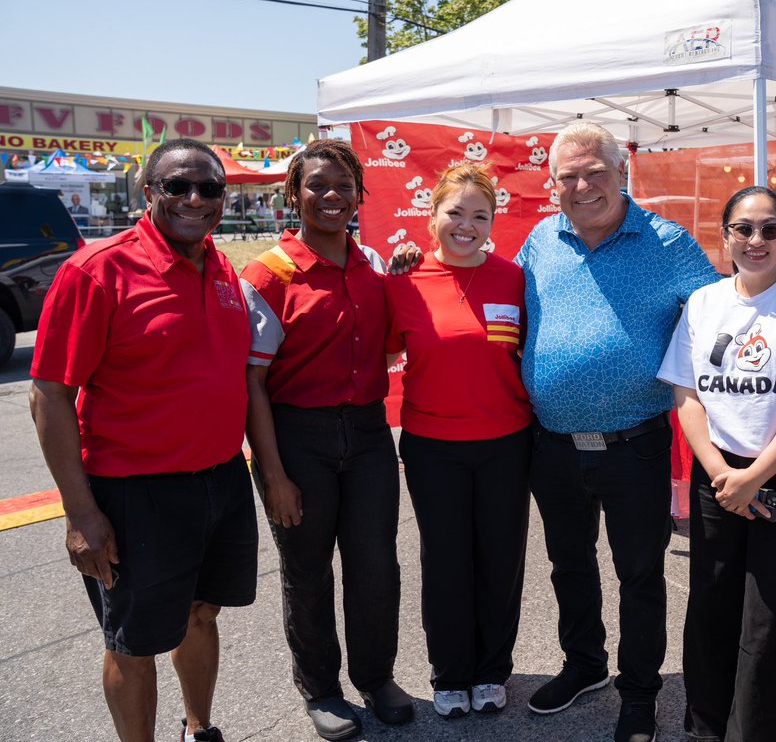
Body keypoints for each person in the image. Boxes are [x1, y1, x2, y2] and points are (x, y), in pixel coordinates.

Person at [28, 138, 257, 742]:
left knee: (202, 614)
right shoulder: (97, 269)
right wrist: (80, 514)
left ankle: (199, 729)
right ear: (148, 191)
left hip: (222, 479)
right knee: (133, 643)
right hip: (133, 494)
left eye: (208, 188)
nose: (193, 198)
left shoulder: (221, 266)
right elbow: (48, 394)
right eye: (177, 185)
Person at [518, 122, 717, 742]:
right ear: (552, 185)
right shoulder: (540, 239)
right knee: (567, 564)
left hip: (635, 446)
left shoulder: (668, 241)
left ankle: (639, 692)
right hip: (551, 446)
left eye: (594, 172)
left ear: (621, 171)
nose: (582, 186)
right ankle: (584, 666)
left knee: (640, 573)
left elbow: (723, 316)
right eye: (567, 177)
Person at [658, 186, 776, 741]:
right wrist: (722, 474)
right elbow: (687, 395)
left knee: (773, 618)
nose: (757, 239)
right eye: (744, 228)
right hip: (717, 476)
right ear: (726, 236)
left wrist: (753, 478)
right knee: (712, 606)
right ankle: (705, 727)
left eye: (770, 229)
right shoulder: (704, 303)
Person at [240, 140, 411, 741]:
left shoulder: (372, 267)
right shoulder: (268, 272)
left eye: (343, 184)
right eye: (317, 185)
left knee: (375, 566)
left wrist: (405, 274)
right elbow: (252, 384)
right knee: (306, 570)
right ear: (294, 194)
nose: (331, 195)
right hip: (297, 437)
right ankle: (321, 688)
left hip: (366, 434)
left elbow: (393, 346)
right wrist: (275, 473)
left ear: (360, 194)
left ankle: (377, 677)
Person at [385, 163, 534, 719]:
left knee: (500, 560)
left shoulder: (514, 279)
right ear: (432, 218)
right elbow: (380, 354)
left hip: (506, 443)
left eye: (480, 215)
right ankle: (450, 673)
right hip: (432, 447)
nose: (466, 225)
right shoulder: (402, 281)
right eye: (456, 213)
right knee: (445, 562)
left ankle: (492, 671)